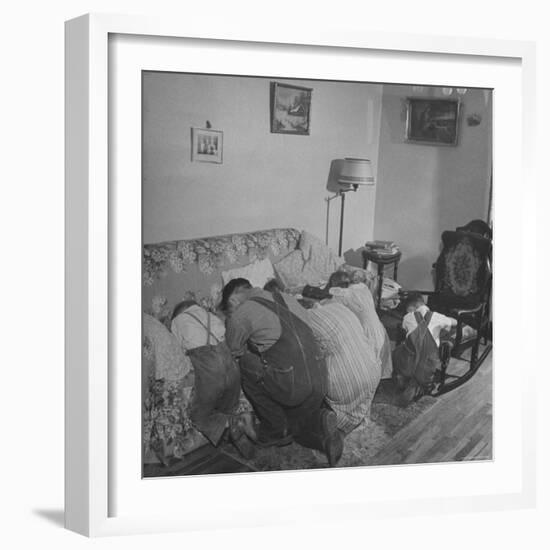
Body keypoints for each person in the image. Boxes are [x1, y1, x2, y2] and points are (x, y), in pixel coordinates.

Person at [221, 278, 344, 467]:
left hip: (292, 384)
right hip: (319, 376)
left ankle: (275, 428)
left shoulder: (241, 312)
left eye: (228, 312)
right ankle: (319, 424)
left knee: (245, 363)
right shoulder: (287, 297)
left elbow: (233, 350)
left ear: (233, 301)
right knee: (297, 425)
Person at [171, 300, 256, 457]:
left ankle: (232, 423)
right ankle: (238, 423)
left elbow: (177, 353)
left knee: (198, 415)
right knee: (227, 407)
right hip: (232, 368)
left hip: (211, 372)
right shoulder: (210, 316)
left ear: (179, 313)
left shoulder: (178, 322)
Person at [306, 300, 381, 434]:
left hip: (346, 381)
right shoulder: (338, 307)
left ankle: (335, 427)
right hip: (372, 367)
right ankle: (356, 424)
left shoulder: (307, 318)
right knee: (361, 404)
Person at [326, 270, 393, 379]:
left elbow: (331, 305)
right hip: (380, 330)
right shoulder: (362, 288)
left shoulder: (341, 295)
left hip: (366, 332)